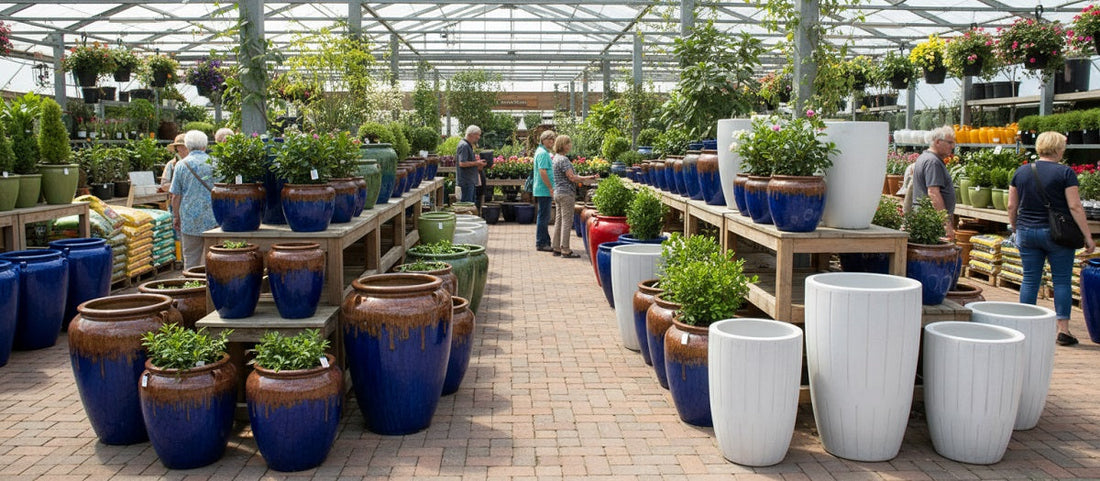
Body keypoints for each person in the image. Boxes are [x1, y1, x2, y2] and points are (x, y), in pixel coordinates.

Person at [1008, 131, 1096, 346]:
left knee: (1030, 279)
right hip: (1058, 235)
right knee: (1061, 281)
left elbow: (1012, 205)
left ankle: (1025, 324)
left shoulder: (1021, 172)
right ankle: (1062, 330)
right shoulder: (1065, 173)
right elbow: (1075, 206)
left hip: (1027, 231)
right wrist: (1088, 237)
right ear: (1059, 149)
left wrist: (1016, 227)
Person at [170, 130, 218, 269]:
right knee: (214, 256)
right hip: (213, 217)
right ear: (205, 145)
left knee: (190, 258)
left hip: (189, 218)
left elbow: (175, 195)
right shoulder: (215, 163)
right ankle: (211, 286)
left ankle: (192, 286)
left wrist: (176, 217)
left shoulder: (181, 165)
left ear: (187, 146)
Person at [550, 135, 597, 258]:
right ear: (562, 145)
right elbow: (572, 177)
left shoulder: (555, 158)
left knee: (559, 220)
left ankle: (556, 247)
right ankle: (565, 249)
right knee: (567, 221)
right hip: (566, 193)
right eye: (568, 143)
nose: (570, 145)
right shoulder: (564, 160)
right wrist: (588, 178)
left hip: (558, 192)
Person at [911, 125, 958, 240]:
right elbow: (933, 193)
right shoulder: (933, 162)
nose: (952, 146)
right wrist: (946, 223)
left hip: (928, 217)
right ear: (937, 142)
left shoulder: (926, 157)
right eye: (949, 143)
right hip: (932, 219)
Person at [533, 130, 556, 251]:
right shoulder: (543, 153)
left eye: (552, 139)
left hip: (543, 189)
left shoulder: (543, 152)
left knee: (544, 216)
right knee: (543, 216)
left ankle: (545, 240)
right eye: (548, 139)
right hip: (544, 189)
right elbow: (542, 171)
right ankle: (541, 243)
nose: (551, 141)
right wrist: (550, 187)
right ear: (543, 140)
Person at [456, 125, 485, 203]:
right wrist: (477, 163)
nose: (479, 137)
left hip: (469, 181)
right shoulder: (464, 146)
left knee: (470, 204)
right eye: (477, 135)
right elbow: (462, 163)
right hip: (466, 181)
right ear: (471, 134)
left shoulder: (468, 145)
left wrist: (478, 164)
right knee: (467, 205)